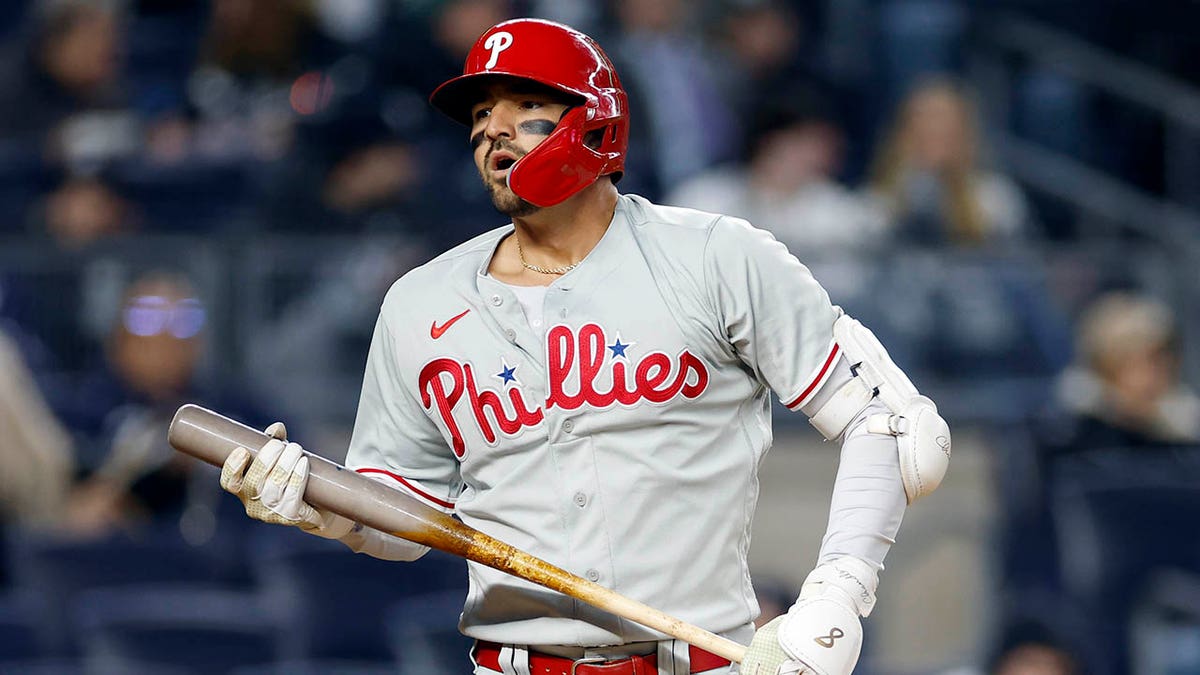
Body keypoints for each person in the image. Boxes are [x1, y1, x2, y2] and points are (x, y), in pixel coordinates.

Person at [219, 18, 951, 675]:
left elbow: (891, 424)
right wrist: (319, 505)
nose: (491, 132)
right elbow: (405, 518)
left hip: (697, 660)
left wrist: (837, 594)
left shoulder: (715, 255)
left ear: (595, 120)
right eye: (480, 117)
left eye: (523, 112)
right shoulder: (419, 301)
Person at [867, 78, 1030, 247]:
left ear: (965, 134)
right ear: (903, 135)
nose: (933, 134)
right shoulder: (877, 206)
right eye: (923, 126)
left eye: (944, 128)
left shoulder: (997, 199)